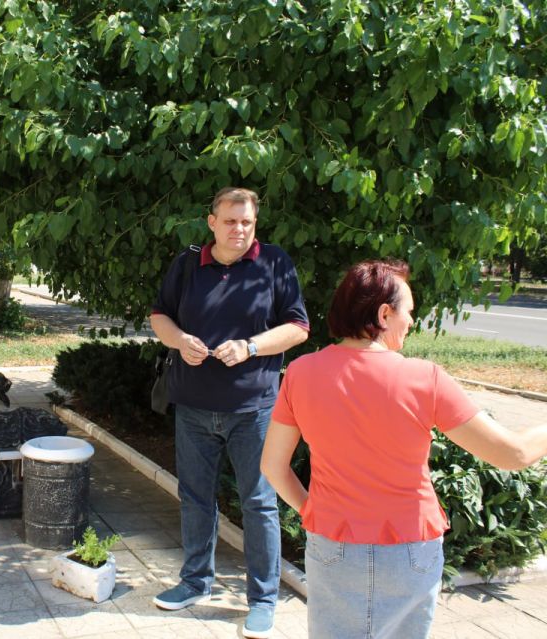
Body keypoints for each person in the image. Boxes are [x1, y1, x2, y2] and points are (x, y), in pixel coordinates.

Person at [260, 259, 547, 638]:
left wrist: (314, 511)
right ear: (384, 314)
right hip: (409, 548)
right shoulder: (424, 378)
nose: (411, 321)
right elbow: (514, 454)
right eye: (408, 311)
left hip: (332, 544)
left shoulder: (301, 373)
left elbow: (273, 466)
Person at [149, 187, 309, 638]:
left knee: (259, 503)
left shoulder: (274, 262)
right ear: (212, 222)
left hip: (253, 409)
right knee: (195, 498)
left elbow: (298, 327)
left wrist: (251, 347)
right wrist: (180, 340)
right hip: (193, 406)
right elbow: (160, 315)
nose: (239, 229)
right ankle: (195, 582)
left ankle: (262, 599)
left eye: (247, 222)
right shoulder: (187, 264)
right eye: (231, 221)